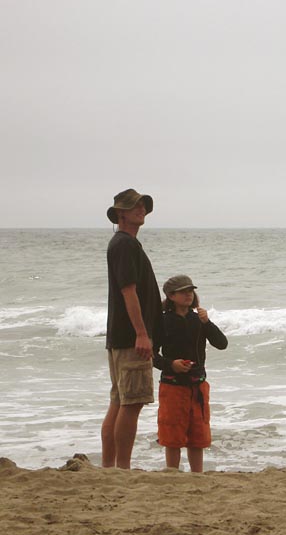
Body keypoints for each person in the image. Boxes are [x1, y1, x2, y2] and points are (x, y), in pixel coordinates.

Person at [102, 188, 161, 469]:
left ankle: (110, 466)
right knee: (131, 403)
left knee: (119, 400)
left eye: (142, 205)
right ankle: (122, 468)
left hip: (120, 336)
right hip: (130, 337)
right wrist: (141, 332)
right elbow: (128, 291)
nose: (141, 209)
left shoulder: (123, 243)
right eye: (134, 206)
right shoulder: (124, 244)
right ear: (120, 214)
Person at [154, 275, 228, 472]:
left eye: (191, 291)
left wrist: (207, 322)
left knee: (198, 434)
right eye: (183, 291)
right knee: (172, 435)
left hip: (198, 384)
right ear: (171, 295)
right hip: (172, 384)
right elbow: (150, 354)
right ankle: (172, 474)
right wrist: (171, 364)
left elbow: (222, 344)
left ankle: (198, 475)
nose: (188, 294)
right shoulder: (162, 321)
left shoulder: (199, 319)